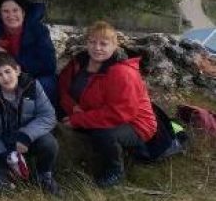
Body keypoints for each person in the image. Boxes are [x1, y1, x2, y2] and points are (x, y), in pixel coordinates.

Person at [58, 20, 157, 188]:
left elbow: (120, 113)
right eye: (92, 42)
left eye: (104, 44)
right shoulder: (79, 62)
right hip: (92, 113)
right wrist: (72, 107)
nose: (97, 48)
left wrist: (79, 119)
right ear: (87, 43)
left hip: (134, 123)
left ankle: (115, 171)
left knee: (104, 134)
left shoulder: (122, 72)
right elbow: (62, 87)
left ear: (114, 45)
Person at [0, 51, 60, 195]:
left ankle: (44, 176)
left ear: (17, 70)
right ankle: (11, 175)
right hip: (3, 143)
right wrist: (2, 154)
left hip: (27, 139)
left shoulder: (32, 86)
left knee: (49, 143)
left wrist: (26, 135)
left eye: (8, 71)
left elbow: (48, 116)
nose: (5, 78)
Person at [0, 0, 59, 106]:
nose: (11, 15)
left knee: (47, 82)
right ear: (0, 14)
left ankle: (46, 118)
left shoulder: (38, 30)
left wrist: (14, 64)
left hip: (34, 75)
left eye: (15, 10)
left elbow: (49, 65)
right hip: (5, 74)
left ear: (23, 13)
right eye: (5, 11)